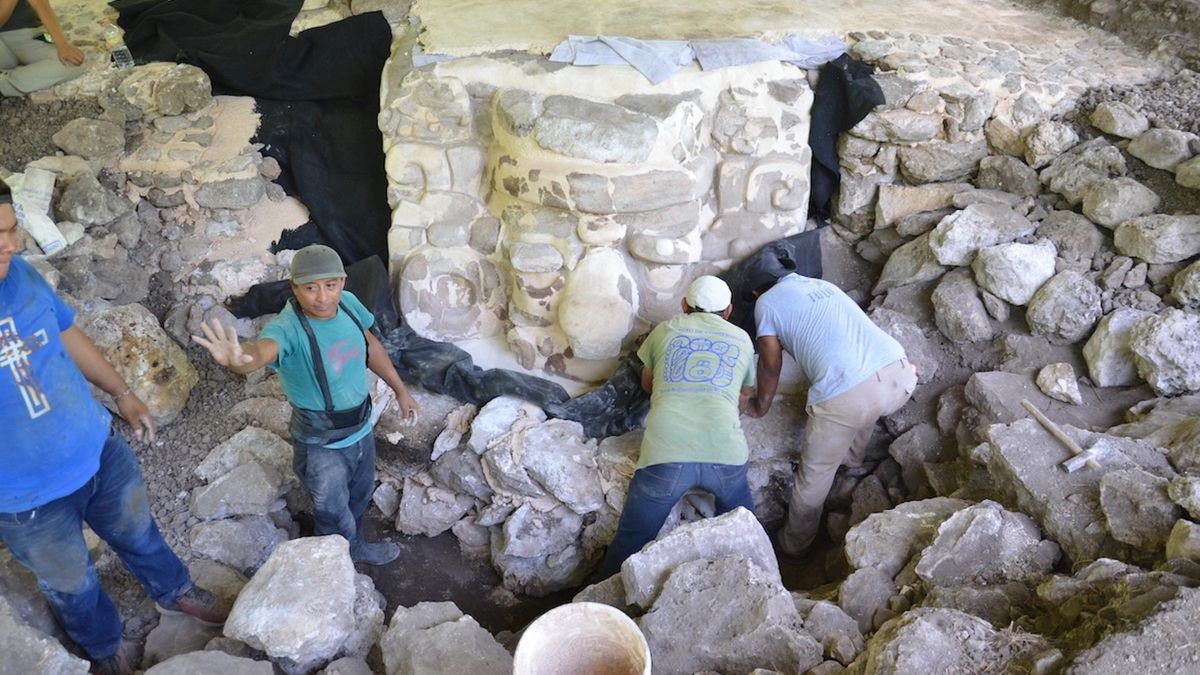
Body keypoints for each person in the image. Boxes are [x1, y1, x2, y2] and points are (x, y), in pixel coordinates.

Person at [0, 179, 227, 675]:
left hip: (95, 447)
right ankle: (105, 648)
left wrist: (122, 394)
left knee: (139, 532)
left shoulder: (19, 275)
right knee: (71, 584)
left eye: (12, 229)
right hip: (25, 498)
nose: (10, 245)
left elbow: (66, 331)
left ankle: (175, 591)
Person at [194, 244, 419, 566]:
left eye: (331, 285)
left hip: (360, 430)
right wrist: (240, 359)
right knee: (330, 511)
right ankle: (331, 567)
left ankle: (354, 548)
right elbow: (261, 352)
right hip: (321, 446)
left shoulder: (350, 306)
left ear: (342, 282)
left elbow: (371, 347)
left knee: (358, 497)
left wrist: (400, 390)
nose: (323, 297)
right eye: (310, 288)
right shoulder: (287, 329)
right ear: (294, 288)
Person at [747, 271, 918, 558]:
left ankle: (794, 546)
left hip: (852, 398)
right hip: (902, 376)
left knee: (813, 475)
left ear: (755, 293)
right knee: (862, 405)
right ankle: (850, 468)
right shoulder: (820, 284)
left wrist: (760, 405)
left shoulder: (766, 303)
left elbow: (769, 364)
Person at [600, 276, 757, 576]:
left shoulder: (664, 331)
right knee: (744, 529)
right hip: (726, 455)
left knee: (631, 538)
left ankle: (603, 600)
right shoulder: (742, 339)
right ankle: (752, 582)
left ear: (683, 305)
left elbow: (648, 384)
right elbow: (743, 395)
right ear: (728, 312)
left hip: (666, 455)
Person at [0, 0, 85, 97]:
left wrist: (62, 44)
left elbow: (40, 4)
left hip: (29, 34)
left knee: (71, 63)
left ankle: (4, 85)